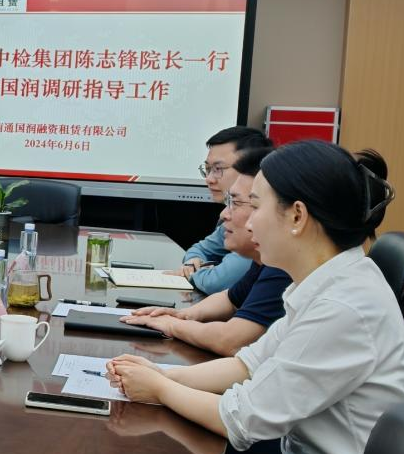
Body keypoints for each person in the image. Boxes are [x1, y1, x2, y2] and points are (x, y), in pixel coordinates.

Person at [107, 141, 404, 454]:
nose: (246, 222)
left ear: (296, 216)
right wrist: (159, 376)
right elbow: (247, 365)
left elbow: (241, 418)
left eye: (256, 205)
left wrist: (162, 389)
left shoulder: (342, 306)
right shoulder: (324, 282)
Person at [121, 148, 289, 356]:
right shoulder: (267, 260)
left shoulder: (284, 265)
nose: (224, 214)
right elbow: (230, 298)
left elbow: (230, 341)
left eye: (237, 203)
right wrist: (183, 315)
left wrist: (173, 325)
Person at [175, 125, 273, 295]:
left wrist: (193, 273)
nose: (209, 179)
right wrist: (192, 263)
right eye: (207, 169)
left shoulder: (259, 220)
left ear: (249, 168)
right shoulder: (232, 214)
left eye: (218, 169)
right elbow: (201, 249)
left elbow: (217, 282)